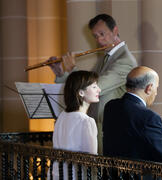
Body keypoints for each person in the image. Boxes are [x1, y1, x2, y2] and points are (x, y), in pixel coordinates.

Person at [48, 14, 138, 154]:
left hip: (110, 127)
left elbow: (93, 87)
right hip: (98, 125)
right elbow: (81, 87)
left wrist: (72, 68)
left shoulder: (125, 60)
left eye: (102, 34)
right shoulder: (106, 58)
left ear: (115, 31)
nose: (99, 40)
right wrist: (61, 73)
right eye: (95, 36)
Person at [49, 70, 101, 180]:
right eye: (94, 87)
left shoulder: (62, 116)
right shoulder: (86, 121)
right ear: (81, 92)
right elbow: (91, 160)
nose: (99, 90)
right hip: (75, 175)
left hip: (57, 174)